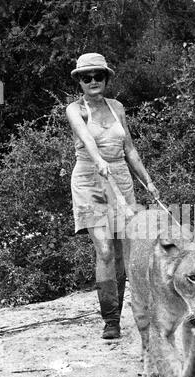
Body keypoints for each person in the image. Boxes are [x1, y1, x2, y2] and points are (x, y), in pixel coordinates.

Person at [66, 53, 159, 340]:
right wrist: (99, 162)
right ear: (80, 82)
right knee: (104, 249)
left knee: (124, 251)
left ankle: (125, 315)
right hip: (90, 179)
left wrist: (148, 180)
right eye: (86, 77)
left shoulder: (117, 107)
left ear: (106, 78)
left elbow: (129, 148)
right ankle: (110, 320)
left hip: (120, 179)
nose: (92, 81)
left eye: (98, 76)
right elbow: (87, 139)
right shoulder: (75, 109)